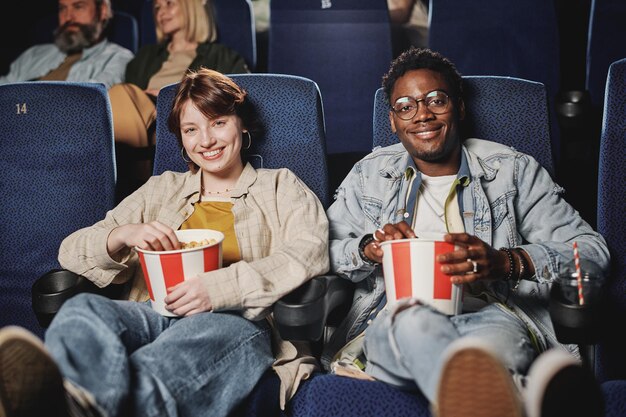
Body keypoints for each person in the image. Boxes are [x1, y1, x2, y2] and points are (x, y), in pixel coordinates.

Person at [0, 68, 329, 417]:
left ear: (242, 125)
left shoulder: (279, 186)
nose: (206, 141)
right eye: (191, 130)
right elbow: (71, 251)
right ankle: (74, 405)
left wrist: (218, 288)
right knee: (83, 311)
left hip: (239, 322)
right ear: (181, 139)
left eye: (218, 122)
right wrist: (123, 235)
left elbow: (308, 253)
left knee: (175, 350)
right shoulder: (163, 189)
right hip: (154, 311)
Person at [323, 47, 608, 417]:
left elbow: (591, 253)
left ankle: (484, 394)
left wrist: (507, 262)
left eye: (436, 100)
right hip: (398, 316)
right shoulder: (369, 175)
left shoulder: (513, 170)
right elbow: (317, 251)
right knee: (413, 324)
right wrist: (367, 249)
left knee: (496, 352)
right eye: (406, 105)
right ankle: (521, 396)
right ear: (393, 121)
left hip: (491, 314)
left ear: (459, 107)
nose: (422, 113)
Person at [109, 0, 250, 201]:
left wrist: (167, 98)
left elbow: (236, 100)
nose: (161, 12)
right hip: (140, 123)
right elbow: (125, 101)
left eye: (169, 4)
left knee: (119, 93)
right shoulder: (145, 56)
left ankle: (131, 191)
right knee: (119, 94)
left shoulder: (222, 56)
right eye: (157, 8)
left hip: (179, 123)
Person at [0, 0, 133, 89]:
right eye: (63, 8)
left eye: (78, 6)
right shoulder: (33, 54)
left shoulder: (118, 58)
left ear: (103, 10)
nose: (68, 17)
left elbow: (90, 100)